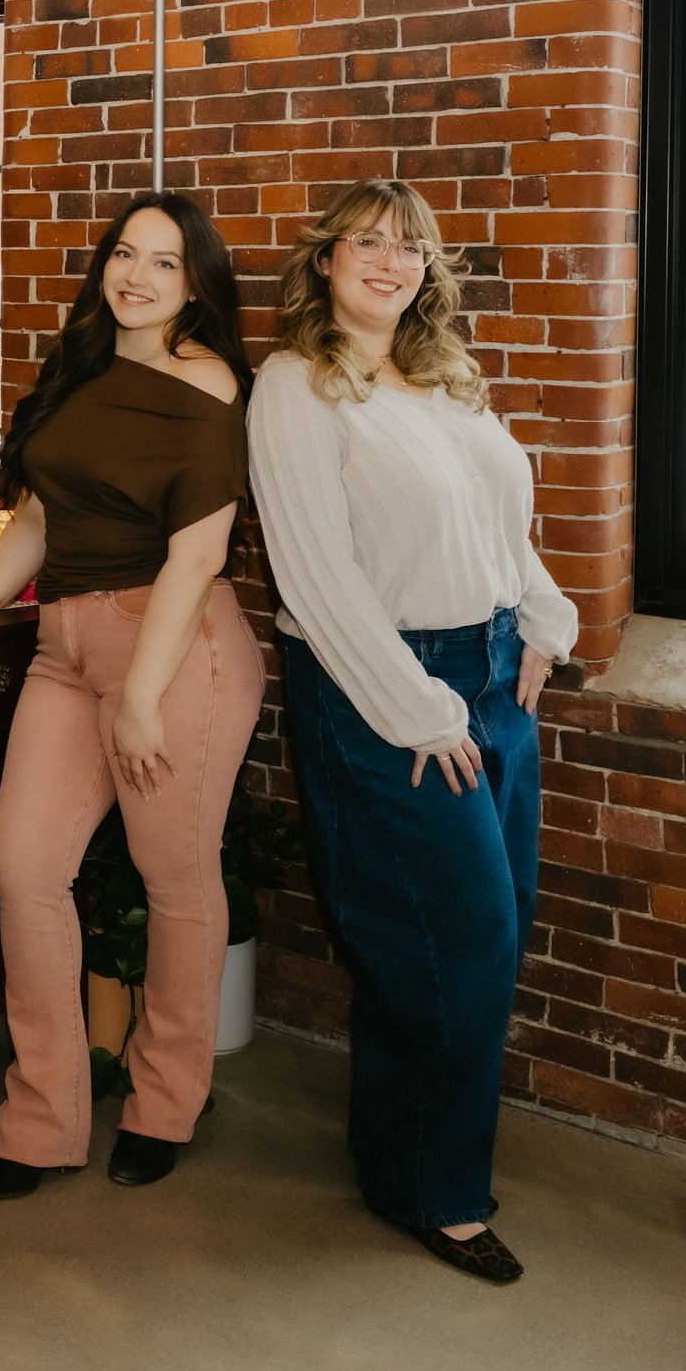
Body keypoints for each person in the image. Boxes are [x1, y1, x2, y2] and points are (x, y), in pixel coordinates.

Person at [247, 177, 577, 1284]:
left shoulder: (442, 380)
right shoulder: (295, 385)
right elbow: (315, 574)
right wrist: (419, 709)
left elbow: (499, 526)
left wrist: (540, 618)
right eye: (367, 242)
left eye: (410, 246)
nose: (390, 261)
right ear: (327, 260)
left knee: (481, 927)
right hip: (388, 687)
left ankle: (403, 1150)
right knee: (459, 937)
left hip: (490, 676)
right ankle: (436, 1193)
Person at [0, 191, 261, 1199]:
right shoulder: (84, 370)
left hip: (174, 649)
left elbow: (196, 554)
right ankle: (42, 1115)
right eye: (124, 254)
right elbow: (38, 513)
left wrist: (141, 693)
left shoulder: (209, 383)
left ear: (195, 284)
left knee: (175, 879)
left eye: (164, 262)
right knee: (23, 864)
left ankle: (165, 1099)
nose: (136, 275)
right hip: (63, 647)